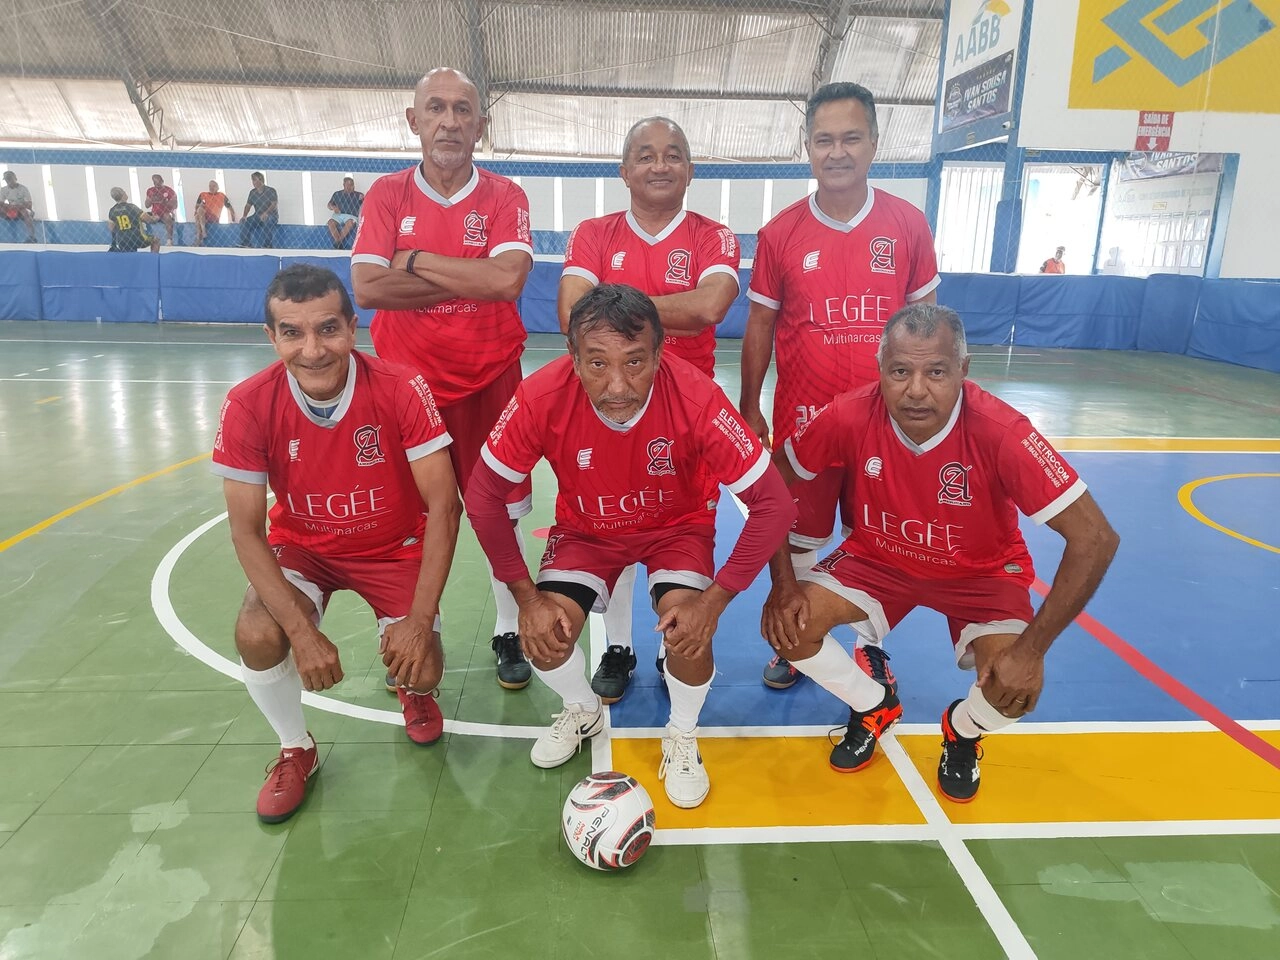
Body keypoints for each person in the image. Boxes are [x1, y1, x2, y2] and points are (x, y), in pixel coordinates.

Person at [762, 303, 1119, 802]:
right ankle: (873, 704)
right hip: (879, 558)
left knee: (1013, 690)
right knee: (787, 629)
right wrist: (783, 584)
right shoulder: (848, 413)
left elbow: (1096, 537)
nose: (915, 389)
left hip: (982, 575)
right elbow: (773, 483)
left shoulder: (1002, 432)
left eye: (936, 372)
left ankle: (963, 729)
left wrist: (1031, 651)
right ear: (880, 368)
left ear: (963, 370)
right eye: (899, 371)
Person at [465, 284, 795, 808]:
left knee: (689, 634)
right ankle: (583, 709)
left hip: (676, 528)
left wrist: (714, 602)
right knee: (546, 633)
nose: (618, 385)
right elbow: (483, 495)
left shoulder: (698, 398)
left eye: (635, 361)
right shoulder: (539, 396)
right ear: (573, 357)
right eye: (597, 363)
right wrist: (526, 599)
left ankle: (682, 733)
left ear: (660, 354)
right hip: (587, 531)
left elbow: (774, 504)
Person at [210, 264, 461, 823]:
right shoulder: (249, 403)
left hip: (394, 546)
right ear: (271, 337)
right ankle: (295, 748)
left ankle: (414, 691)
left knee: (424, 667)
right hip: (305, 550)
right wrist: (301, 634)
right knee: (257, 632)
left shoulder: (401, 388)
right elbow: (246, 531)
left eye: (327, 329)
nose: (312, 349)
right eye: (292, 333)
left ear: (352, 327)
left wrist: (420, 621)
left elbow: (446, 506)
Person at [739, 82, 940, 690]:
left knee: (877, 538)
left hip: (888, 424)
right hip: (806, 423)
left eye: (851, 138)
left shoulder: (907, 224)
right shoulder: (781, 232)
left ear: (874, 143)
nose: (837, 152)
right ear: (808, 147)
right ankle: (799, 631)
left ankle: (870, 647)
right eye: (824, 140)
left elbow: (929, 326)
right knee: (799, 535)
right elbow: (761, 324)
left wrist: (937, 407)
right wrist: (749, 404)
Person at [352, 67, 536, 692]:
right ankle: (413, 629)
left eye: (462, 110)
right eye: (435, 108)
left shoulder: (506, 196)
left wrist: (414, 261)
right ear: (414, 121)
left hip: (491, 378)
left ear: (480, 124)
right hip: (407, 390)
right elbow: (368, 287)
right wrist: (469, 274)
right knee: (411, 519)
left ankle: (508, 630)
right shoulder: (387, 195)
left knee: (499, 513)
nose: (449, 121)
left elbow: (506, 281)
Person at [557, 116, 741, 704]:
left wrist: (611, 313)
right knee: (612, 523)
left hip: (687, 416)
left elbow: (710, 306)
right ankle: (618, 645)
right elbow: (570, 313)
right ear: (624, 170)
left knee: (678, 528)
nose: (659, 165)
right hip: (607, 408)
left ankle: (670, 640)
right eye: (645, 154)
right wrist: (659, 313)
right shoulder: (593, 233)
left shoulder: (714, 235)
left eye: (673, 154)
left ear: (690, 168)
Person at [106, 187, 160, 253]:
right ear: (123, 194)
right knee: (156, 240)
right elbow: (148, 220)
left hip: (122, 240)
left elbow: (111, 228)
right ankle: (153, 258)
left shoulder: (112, 210)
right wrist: (155, 218)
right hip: (137, 238)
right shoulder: (132, 207)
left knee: (129, 252)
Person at [240, 172, 278, 248]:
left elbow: (274, 204)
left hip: (271, 215)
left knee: (267, 220)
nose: (253, 182)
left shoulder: (271, 190)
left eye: (254, 180)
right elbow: (248, 205)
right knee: (245, 222)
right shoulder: (252, 192)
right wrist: (244, 216)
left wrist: (266, 213)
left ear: (261, 180)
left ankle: (267, 245)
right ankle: (246, 244)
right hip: (257, 216)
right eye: (252, 180)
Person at [193, 180, 235, 247]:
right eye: (210, 186)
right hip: (203, 217)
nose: (211, 188)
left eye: (213, 186)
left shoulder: (221, 195)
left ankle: (199, 237)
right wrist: (200, 205)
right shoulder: (203, 194)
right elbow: (196, 207)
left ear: (218, 188)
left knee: (198, 214)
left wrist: (233, 216)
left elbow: (229, 207)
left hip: (214, 217)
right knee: (199, 212)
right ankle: (202, 233)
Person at [327, 176, 364, 249]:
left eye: (351, 185)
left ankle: (338, 242)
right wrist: (334, 207)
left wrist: (363, 199)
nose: (349, 187)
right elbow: (329, 205)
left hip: (351, 216)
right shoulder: (337, 194)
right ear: (343, 185)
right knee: (330, 222)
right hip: (338, 215)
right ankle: (338, 242)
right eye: (347, 185)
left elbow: (365, 205)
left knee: (350, 223)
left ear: (354, 186)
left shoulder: (359, 195)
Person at [1, 170, 36, 242]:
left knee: (26, 213)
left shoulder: (23, 189)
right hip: (10, 210)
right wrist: (8, 206)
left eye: (10, 178)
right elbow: (0, 202)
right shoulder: (4, 190)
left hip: (21, 209)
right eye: (7, 179)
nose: (8, 181)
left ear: (15, 178)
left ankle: (32, 237)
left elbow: (29, 204)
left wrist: (18, 206)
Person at [145, 174, 178, 246]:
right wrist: (151, 199)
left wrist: (164, 202)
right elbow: (147, 205)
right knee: (143, 217)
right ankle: (146, 239)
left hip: (166, 212)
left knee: (167, 217)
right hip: (155, 213)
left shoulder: (169, 190)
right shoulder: (150, 191)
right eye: (155, 183)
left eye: (159, 182)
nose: (157, 185)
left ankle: (169, 240)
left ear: (162, 181)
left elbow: (175, 205)